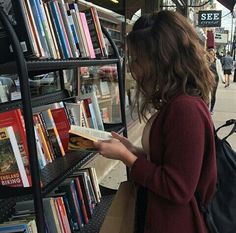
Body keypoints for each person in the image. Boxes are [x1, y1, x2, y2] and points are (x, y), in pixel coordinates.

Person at [94, 10, 217, 233]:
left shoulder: (185, 109)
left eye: (138, 59)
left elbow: (178, 187)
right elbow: (170, 161)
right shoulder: (179, 103)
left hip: (175, 223)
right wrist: (134, 150)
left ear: (161, 60)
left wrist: (127, 158)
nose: (134, 67)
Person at [207, 49, 220, 114]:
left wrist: (223, 79)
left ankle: (211, 109)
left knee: (213, 94)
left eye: (213, 54)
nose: (211, 55)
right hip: (207, 78)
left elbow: (219, 70)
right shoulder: (205, 61)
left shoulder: (217, 61)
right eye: (210, 54)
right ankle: (206, 108)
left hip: (215, 79)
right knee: (206, 94)